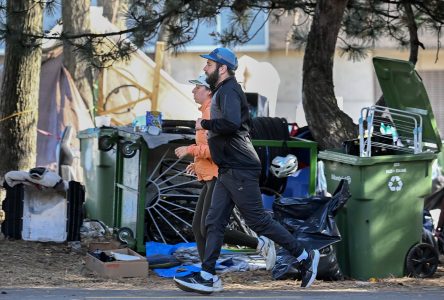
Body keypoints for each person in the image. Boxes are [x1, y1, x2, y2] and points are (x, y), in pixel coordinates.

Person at [174, 48, 320, 294]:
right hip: (228, 167)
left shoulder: (230, 90)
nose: (204, 69)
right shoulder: (223, 91)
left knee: (258, 221)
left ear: (222, 68)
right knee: (213, 221)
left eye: (208, 65)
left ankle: (305, 256)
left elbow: (231, 124)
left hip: (240, 167)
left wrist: (205, 123)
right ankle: (208, 276)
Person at [174, 75, 277, 292]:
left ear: (208, 91)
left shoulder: (212, 112)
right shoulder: (204, 112)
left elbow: (216, 149)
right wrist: (198, 164)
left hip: (220, 175)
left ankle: (258, 244)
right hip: (210, 174)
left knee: (210, 225)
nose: (193, 91)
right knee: (199, 226)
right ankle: (206, 273)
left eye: (197, 88)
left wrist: (190, 150)